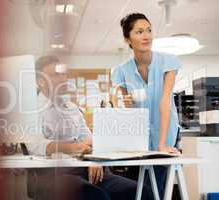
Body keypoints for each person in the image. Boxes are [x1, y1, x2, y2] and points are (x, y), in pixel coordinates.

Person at [26, 55, 152, 200]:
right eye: (56, 75)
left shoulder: (72, 108)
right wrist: (73, 148)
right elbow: (35, 146)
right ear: (40, 81)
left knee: (141, 192)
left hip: (84, 168)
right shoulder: (32, 110)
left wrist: (94, 159)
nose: (63, 79)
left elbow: (89, 139)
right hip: (53, 175)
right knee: (96, 196)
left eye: (63, 74)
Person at [111, 13, 181, 198]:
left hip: (164, 133)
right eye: (139, 31)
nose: (147, 36)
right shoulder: (120, 71)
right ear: (128, 39)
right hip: (138, 139)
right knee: (141, 189)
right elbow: (123, 109)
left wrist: (162, 145)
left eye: (149, 30)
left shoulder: (168, 61)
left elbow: (165, 101)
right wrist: (124, 103)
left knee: (158, 183)